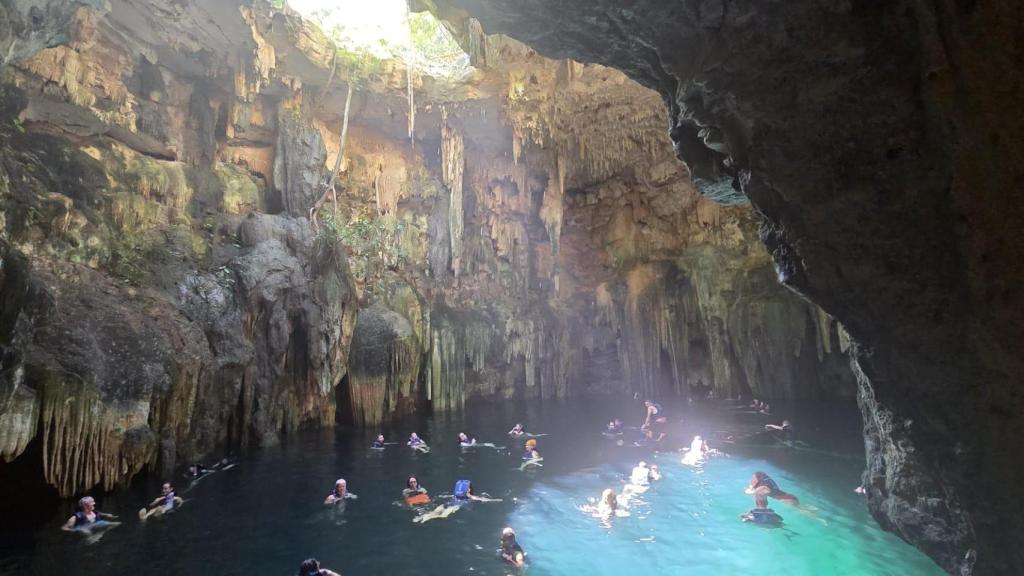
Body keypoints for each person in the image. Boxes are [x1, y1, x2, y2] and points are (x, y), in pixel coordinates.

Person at [412, 480, 500, 523]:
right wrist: (495, 500)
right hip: (455, 506)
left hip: (448, 503)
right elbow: (482, 499)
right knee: (443, 515)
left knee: (435, 511)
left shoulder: (455, 495)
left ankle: (423, 516)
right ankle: (426, 518)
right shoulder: (470, 496)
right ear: (468, 489)